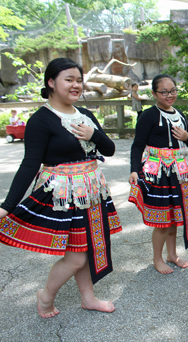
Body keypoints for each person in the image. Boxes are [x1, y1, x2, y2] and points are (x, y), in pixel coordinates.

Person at [0, 58, 121, 318]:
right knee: (76, 256)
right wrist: (7, 205)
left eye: (79, 80)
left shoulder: (85, 115)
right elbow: (30, 164)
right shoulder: (41, 120)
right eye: (69, 79)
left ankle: (88, 298)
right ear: (51, 83)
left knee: (85, 249)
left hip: (91, 192)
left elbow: (108, 150)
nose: (76, 85)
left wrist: (94, 134)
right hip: (63, 197)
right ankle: (46, 296)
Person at [129, 74, 188, 274]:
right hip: (158, 173)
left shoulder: (180, 114)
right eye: (164, 92)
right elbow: (137, 145)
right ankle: (157, 258)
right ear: (154, 93)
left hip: (178, 172)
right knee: (162, 219)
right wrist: (134, 169)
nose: (170, 95)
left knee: (175, 216)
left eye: (173, 90)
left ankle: (172, 254)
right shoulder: (148, 116)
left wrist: (187, 136)